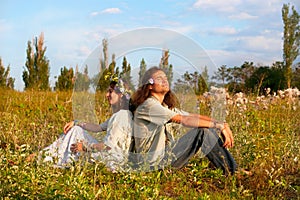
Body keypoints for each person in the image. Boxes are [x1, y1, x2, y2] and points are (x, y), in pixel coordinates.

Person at [130, 66, 237, 174]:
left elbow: (192, 116)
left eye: (165, 78)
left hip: (165, 158)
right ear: (149, 85)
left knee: (208, 128)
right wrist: (219, 126)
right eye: (159, 78)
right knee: (202, 132)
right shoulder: (149, 106)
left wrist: (220, 123)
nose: (164, 80)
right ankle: (232, 172)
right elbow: (185, 120)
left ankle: (229, 168)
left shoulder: (164, 106)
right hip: (152, 165)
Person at [29, 80, 133, 171]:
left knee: (75, 132)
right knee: (76, 129)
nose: (106, 95)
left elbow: (108, 146)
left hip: (111, 161)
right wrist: (76, 122)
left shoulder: (121, 116)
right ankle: (45, 156)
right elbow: (98, 128)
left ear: (121, 95)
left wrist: (86, 147)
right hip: (112, 159)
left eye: (110, 92)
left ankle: (44, 157)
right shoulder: (120, 114)